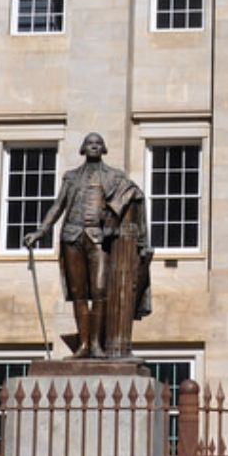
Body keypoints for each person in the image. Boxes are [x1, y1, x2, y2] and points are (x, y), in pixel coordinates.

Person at [21, 133, 151, 358]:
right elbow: (58, 206)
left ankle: (96, 345)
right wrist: (41, 231)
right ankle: (83, 345)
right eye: (90, 143)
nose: (94, 146)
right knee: (78, 292)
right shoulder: (71, 177)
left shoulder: (115, 177)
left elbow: (135, 198)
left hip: (98, 238)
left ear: (104, 148)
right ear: (83, 148)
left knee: (100, 290)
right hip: (72, 236)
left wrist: (142, 240)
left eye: (98, 143)